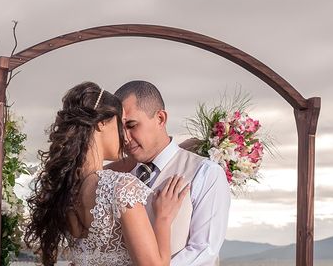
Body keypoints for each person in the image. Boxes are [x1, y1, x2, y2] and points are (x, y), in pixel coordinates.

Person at [25, 81, 190, 266]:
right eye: (121, 124)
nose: (125, 137)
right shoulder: (121, 187)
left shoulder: (67, 191)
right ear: (101, 124)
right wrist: (163, 219)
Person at [111, 80, 231, 266]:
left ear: (160, 119)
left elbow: (204, 250)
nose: (125, 137)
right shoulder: (122, 179)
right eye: (120, 128)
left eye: (132, 125)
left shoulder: (206, 173)